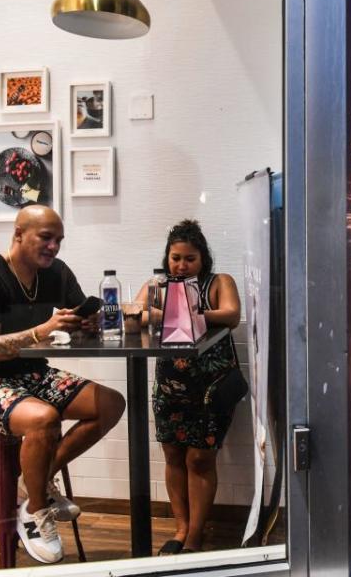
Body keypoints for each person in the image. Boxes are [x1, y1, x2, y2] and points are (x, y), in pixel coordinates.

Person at [0, 205, 126, 564]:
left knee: (111, 404)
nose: (54, 247)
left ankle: (36, 480)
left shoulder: (55, 274)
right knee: (43, 419)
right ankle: (35, 511)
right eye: (46, 237)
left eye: (59, 240)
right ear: (19, 234)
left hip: (28, 372)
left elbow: (73, 319)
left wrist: (84, 323)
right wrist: (43, 330)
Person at [137, 220, 248, 555]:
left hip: (211, 386)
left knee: (200, 459)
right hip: (170, 386)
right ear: (167, 258)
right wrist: (158, 313)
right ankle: (181, 528)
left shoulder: (218, 282)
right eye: (175, 258)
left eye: (189, 258)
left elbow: (231, 314)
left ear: (203, 259)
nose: (181, 265)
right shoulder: (157, 284)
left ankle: (196, 534)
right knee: (172, 454)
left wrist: (186, 312)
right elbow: (137, 314)